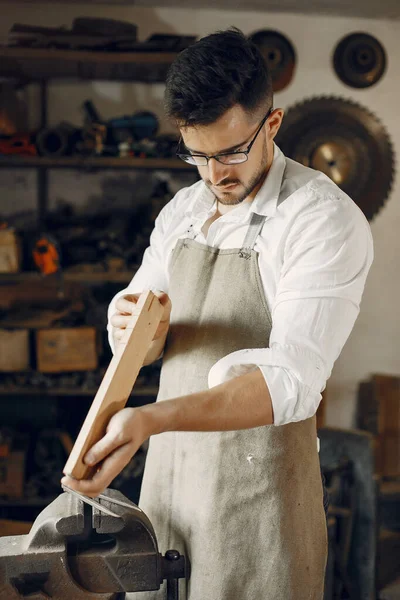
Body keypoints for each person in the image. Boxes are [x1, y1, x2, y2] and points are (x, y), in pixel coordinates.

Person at [62, 27, 373, 599]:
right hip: (170, 492)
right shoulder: (184, 209)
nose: (214, 175)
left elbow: (291, 384)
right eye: (197, 154)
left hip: (258, 504)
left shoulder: (320, 219)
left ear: (271, 125)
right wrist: (130, 322)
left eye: (231, 151)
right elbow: (141, 329)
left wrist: (149, 419)